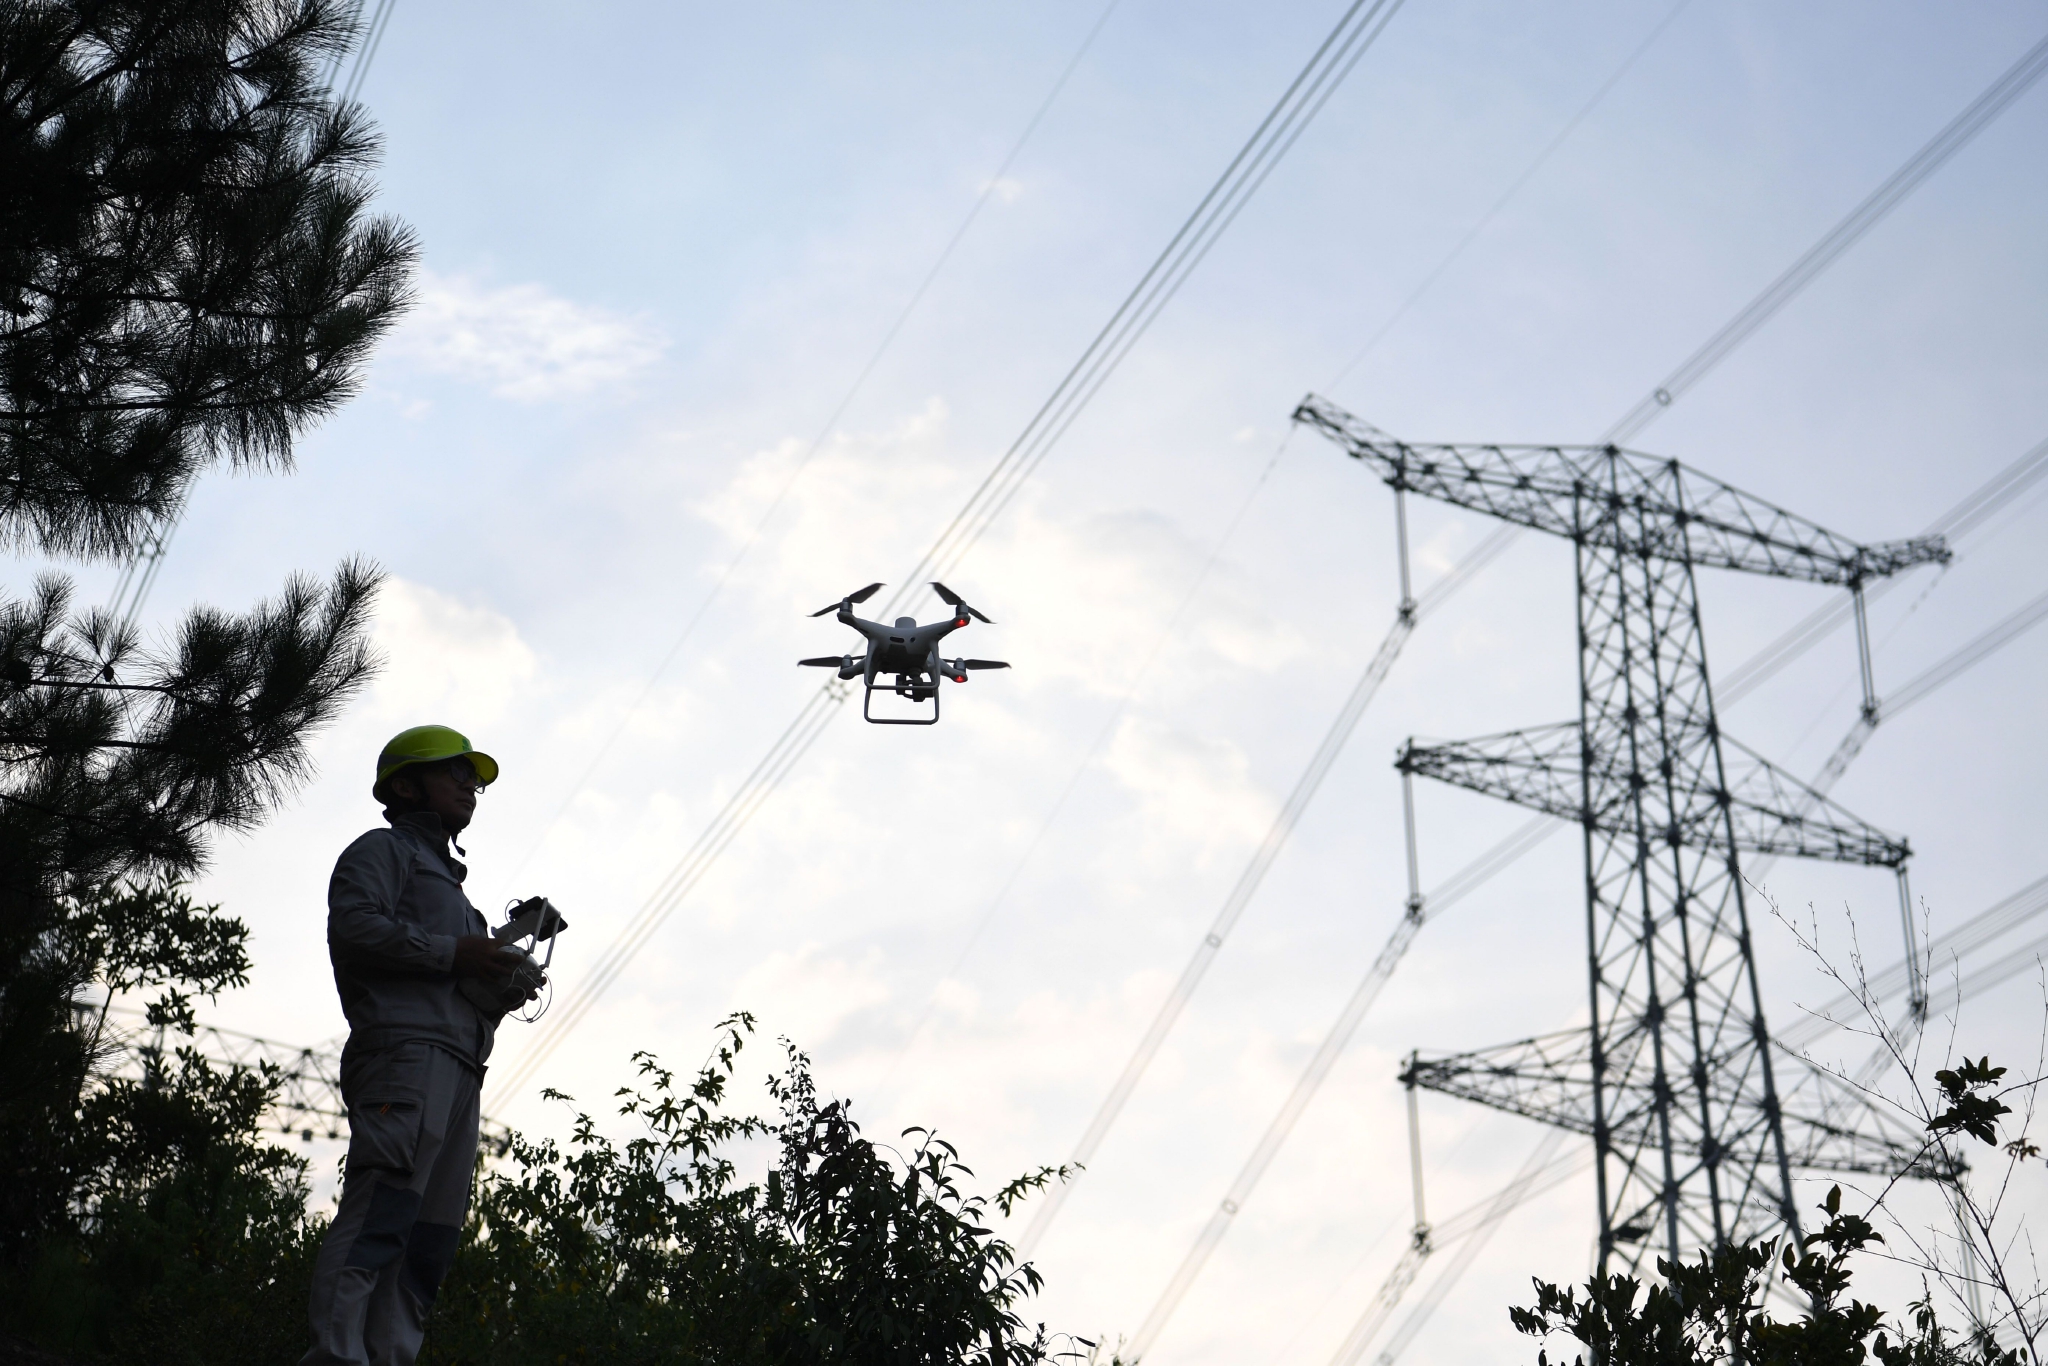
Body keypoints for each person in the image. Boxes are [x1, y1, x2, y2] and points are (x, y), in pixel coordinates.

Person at [301, 725, 534, 1366]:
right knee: (381, 1215)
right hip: (403, 1058)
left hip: (460, 1067)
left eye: (474, 777)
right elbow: (354, 927)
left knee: (427, 1241)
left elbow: (446, 978)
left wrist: (501, 985)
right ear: (406, 784)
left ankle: (388, 1357)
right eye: (455, 772)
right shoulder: (382, 850)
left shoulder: (457, 894)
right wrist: (455, 951)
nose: (470, 785)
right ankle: (337, 1358)